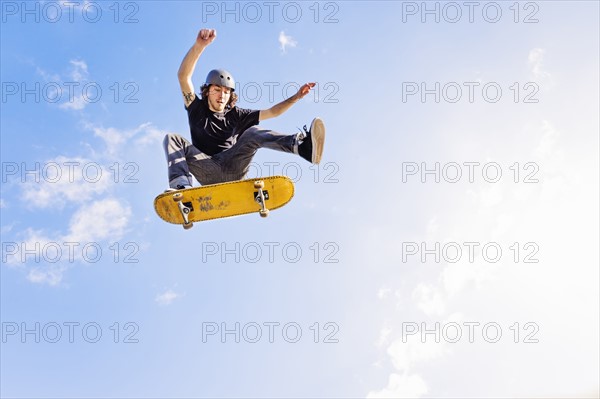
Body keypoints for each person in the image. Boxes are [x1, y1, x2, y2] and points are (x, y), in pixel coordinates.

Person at [163, 28, 326, 190]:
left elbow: (272, 112)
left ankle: (302, 147)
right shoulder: (195, 108)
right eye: (217, 90)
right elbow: (183, 76)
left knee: (253, 132)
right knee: (172, 139)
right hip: (207, 170)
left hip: (234, 168)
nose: (222, 95)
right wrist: (199, 46)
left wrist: (296, 97)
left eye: (226, 92)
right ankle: (181, 188)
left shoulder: (237, 114)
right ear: (207, 92)